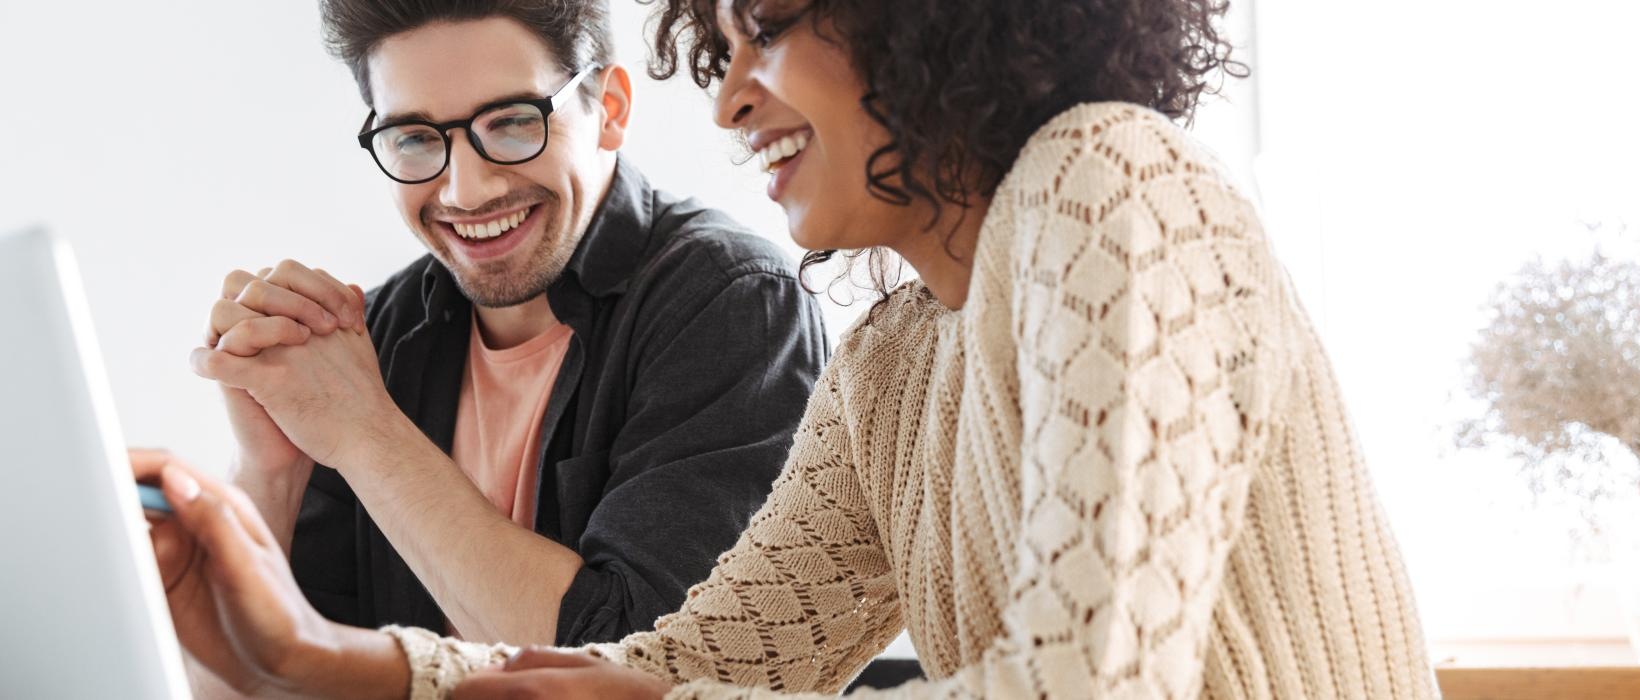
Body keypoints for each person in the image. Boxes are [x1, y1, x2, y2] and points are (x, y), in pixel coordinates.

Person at [147, 0, 1439, 696]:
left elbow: (1087, 689)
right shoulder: (894, 357)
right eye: (722, 40)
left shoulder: (1105, 174)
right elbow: (689, 661)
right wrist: (309, 655)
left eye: (769, 26)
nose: (725, 93)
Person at [191, 0, 827, 658]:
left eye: (514, 123)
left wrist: (366, 435)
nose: (466, 190)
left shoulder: (734, 302)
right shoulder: (370, 343)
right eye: (413, 137)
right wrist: (268, 474)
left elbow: (645, 665)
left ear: (609, 110)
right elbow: (260, 674)